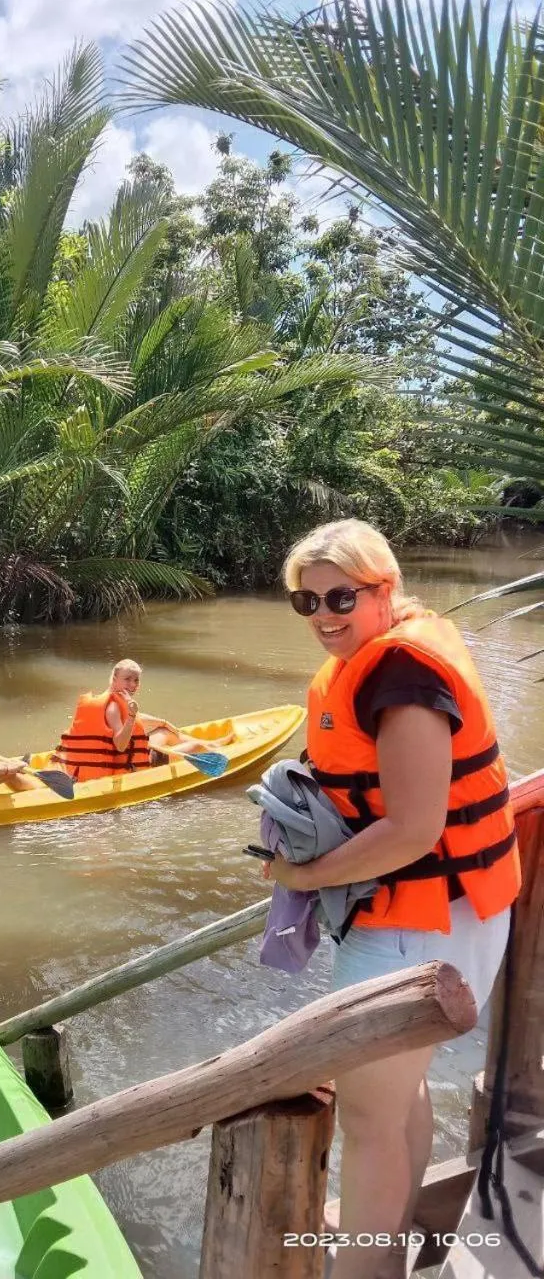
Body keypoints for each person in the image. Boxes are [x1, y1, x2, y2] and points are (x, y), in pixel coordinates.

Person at [266, 519, 520, 1279]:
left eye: (341, 596)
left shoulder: (401, 678)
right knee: (398, 1099)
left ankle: (362, 1269)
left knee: (369, 1118)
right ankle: (395, 1235)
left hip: (419, 919)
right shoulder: (394, 654)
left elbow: (414, 828)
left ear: (385, 589)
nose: (323, 616)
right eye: (303, 602)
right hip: (445, 914)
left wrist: (305, 878)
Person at [55, 659, 226, 780]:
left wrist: (161, 721)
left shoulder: (107, 698)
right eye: (127, 679)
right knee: (197, 747)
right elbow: (120, 746)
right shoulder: (113, 707)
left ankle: (214, 744)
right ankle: (214, 747)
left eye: (136, 680)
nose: (133, 684)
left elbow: (135, 721)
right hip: (131, 766)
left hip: (82, 766)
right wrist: (131, 717)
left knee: (163, 731)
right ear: (115, 679)